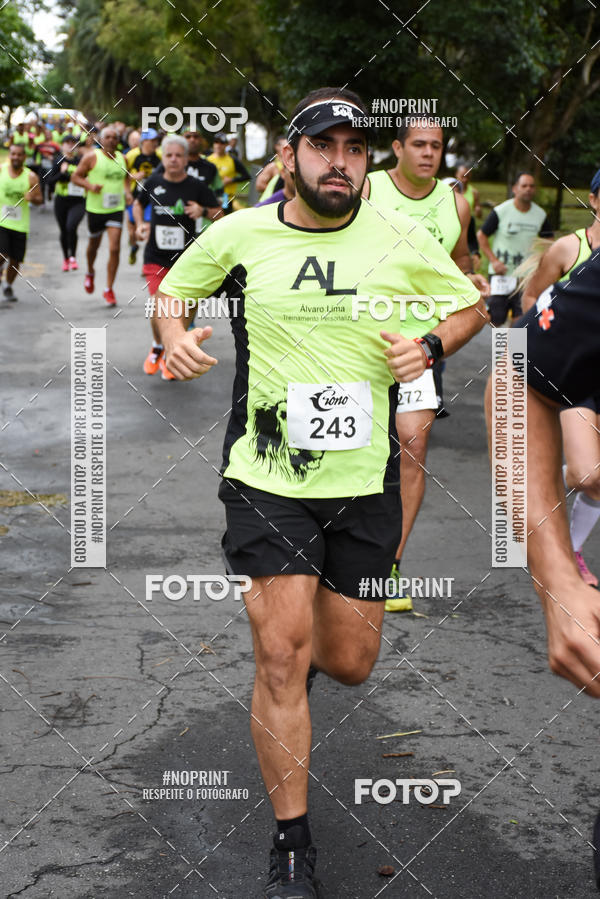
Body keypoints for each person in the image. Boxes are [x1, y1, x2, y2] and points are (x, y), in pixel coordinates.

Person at [157, 87, 485, 897]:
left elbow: (473, 302)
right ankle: (292, 845)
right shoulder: (240, 232)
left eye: (352, 147)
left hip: (365, 481)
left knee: (350, 661)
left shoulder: (397, 233)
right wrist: (172, 333)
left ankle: (299, 672)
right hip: (266, 478)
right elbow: (174, 291)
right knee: (279, 652)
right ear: (289, 157)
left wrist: (429, 344)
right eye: (322, 145)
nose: (340, 160)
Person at [363, 117, 489, 611]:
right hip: (361, 337)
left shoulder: (457, 202)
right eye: (419, 144)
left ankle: (389, 563)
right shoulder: (368, 187)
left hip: (422, 344)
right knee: (361, 445)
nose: (428, 153)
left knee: (412, 446)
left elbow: (459, 262)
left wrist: (470, 283)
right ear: (397, 147)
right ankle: (338, 552)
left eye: (436, 145)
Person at [519, 168, 600, 586]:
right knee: (579, 473)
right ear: (594, 200)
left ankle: (571, 550)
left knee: (591, 478)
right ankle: (540, 541)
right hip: (564, 367)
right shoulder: (570, 248)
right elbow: (533, 295)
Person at [133, 134, 220, 380]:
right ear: (163, 157)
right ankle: (160, 346)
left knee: (185, 309)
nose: (173, 160)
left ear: (186, 159)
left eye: (178, 155)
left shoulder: (196, 186)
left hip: (187, 259)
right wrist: (140, 224)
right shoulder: (153, 181)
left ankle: (175, 348)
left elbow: (220, 215)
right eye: (169, 155)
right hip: (156, 256)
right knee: (159, 305)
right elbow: (138, 204)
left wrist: (203, 210)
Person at [477, 172, 554, 326]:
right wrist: (493, 260)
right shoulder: (501, 211)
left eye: (532, 186)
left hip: (525, 277)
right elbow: (481, 235)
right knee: (496, 319)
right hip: (502, 274)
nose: (528, 189)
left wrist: (539, 263)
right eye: (524, 185)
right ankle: (500, 349)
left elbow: (549, 241)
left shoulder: (540, 214)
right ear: (515, 189)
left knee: (520, 319)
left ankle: (512, 350)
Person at [71, 125, 133, 306]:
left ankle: (108, 288)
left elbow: (127, 178)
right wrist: (90, 187)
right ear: (102, 140)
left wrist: (127, 193)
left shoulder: (123, 158)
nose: (112, 140)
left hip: (115, 209)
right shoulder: (92, 157)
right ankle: (90, 271)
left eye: (115, 137)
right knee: (93, 246)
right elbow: (76, 177)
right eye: (108, 137)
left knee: (114, 248)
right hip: (96, 209)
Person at [0, 143, 43, 302]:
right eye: (13, 154)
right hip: (2, 222)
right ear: (9, 155)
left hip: (20, 225)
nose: (16, 157)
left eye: (19, 154)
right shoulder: (1, 170)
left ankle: (8, 285)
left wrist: (33, 198)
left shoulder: (31, 177)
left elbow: (40, 199)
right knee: (2, 254)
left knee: (15, 260)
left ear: (24, 157)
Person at [48, 134, 86, 271]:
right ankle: (66, 258)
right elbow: (50, 181)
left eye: (73, 143)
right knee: (64, 230)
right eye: (67, 143)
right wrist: (62, 174)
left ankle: (73, 257)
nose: (70, 145)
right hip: (62, 201)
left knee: (71, 226)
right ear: (62, 145)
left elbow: (87, 177)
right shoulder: (57, 161)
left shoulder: (81, 161)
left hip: (78, 201)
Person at [125, 128, 162, 265]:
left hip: (151, 198)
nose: (155, 143)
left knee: (148, 229)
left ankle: (146, 262)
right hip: (134, 196)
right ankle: (134, 247)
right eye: (152, 140)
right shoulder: (132, 155)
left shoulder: (160, 156)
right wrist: (133, 179)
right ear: (144, 141)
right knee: (132, 230)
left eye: (156, 140)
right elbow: (123, 176)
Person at [207, 132, 250, 213]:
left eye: (222, 143)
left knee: (224, 219)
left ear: (226, 144)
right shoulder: (207, 160)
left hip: (226, 196)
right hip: (210, 196)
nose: (218, 145)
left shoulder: (232, 159)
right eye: (216, 142)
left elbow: (247, 176)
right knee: (210, 220)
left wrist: (231, 180)